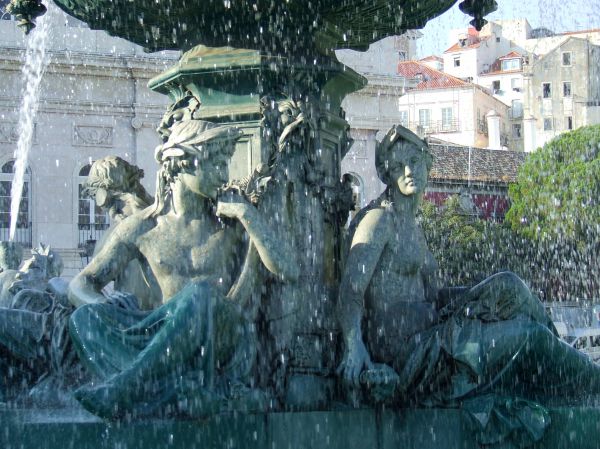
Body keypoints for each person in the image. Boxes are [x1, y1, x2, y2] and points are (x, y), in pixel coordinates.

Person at [337, 125, 600, 409]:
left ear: (427, 165)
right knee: (529, 336)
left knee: (508, 284)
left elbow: (433, 296)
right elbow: (350, 290)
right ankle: (588, 384)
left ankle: (570, 380)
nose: (408, 171)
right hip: (409, 350)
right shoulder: (378, 221)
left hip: (433, 332)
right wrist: (354, 346)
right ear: (388, 174)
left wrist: (484, 293)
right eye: (399, 166)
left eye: (413, 162)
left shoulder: (413, 227)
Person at [68, 119, 299, 418]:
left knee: (199, 295)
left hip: (224, 336)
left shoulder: (232, 220)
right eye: (215, 163)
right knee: (82, 318)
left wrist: (247, 214)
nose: (224, 174)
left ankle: (129, 387)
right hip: (164, 334)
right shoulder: (143, 227)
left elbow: (288, 270)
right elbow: (80, 285)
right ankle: (171, 388)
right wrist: (113, 312)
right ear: (182, 164)